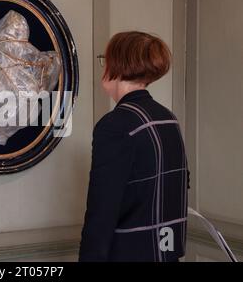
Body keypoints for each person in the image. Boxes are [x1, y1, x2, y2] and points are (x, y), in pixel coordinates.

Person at [79, 31, 189, 262]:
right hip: (167, 253)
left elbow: (102, 210)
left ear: (117, 64)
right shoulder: (168, 117)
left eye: (104, 59)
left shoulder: (115, 125)